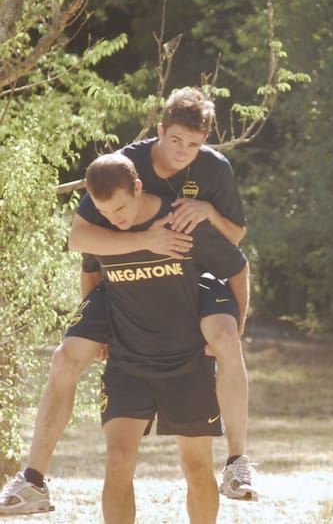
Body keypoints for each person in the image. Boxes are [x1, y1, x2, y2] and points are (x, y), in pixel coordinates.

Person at [0, 88, 255, 516]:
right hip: (118, 289)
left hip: (190, 280)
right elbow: (82, 242)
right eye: (175, 141)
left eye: (193, 144)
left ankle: (238, 461)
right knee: (65, 357)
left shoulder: (210, 172)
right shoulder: (118, 170)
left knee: (224, 347)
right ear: (159, 131)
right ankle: (33, 479)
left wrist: (207, 211)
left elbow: (236, 247)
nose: (183, 153)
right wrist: (98, 322)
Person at [85, 154, 246, 522]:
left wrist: (236, 328)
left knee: (196, 466)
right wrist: (96, 327)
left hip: (186, 361)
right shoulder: (102, 227)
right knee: (117, 460)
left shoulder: (181, 219)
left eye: (121, 208)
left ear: (138, 188)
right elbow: (90, 272)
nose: (115, 218)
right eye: (106, 212)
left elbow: (236, 266)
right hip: (128, 360)